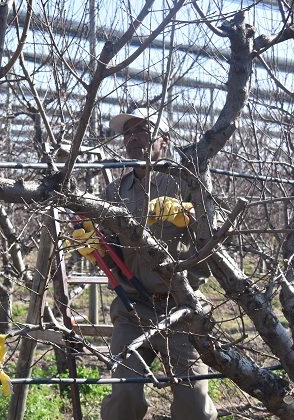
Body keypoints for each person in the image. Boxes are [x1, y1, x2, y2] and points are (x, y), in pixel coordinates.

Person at [98, 108, 218, 419]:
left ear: (163, 141)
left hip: (179, 309)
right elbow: (107, 248)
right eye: (128, 132)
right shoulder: (114, 192)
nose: (133, 137)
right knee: (124, 397)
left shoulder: (185, 184)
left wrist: (186, 283)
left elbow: (210, 245)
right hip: (133, 308)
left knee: (194, 405)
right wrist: (87, 244)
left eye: (142, 130)